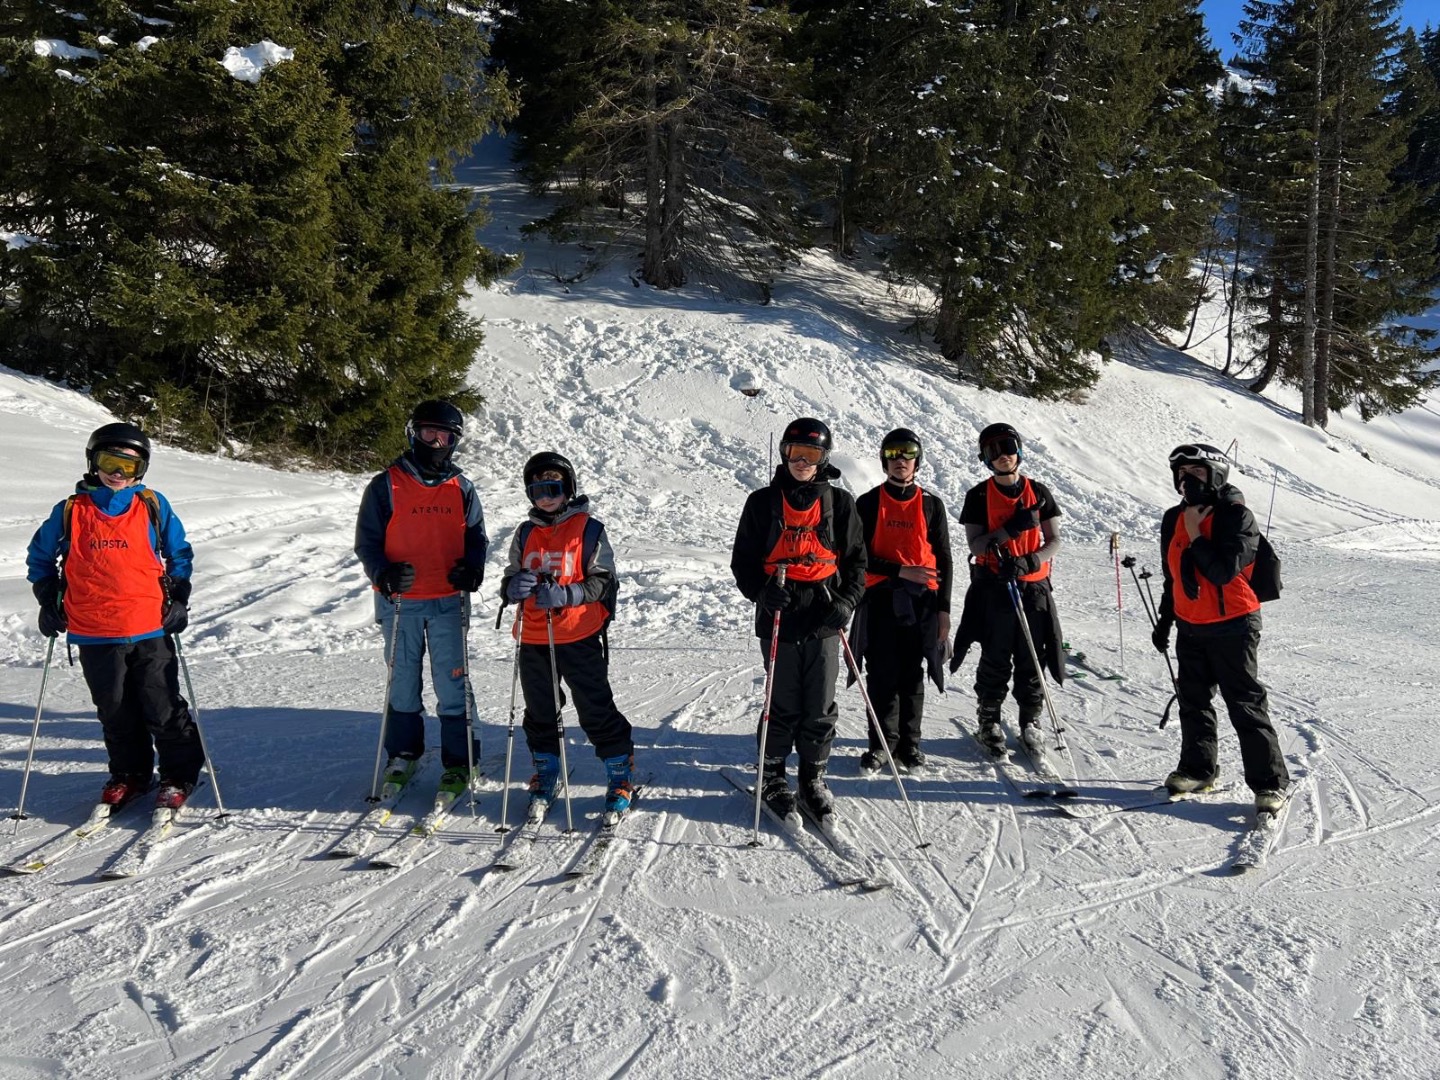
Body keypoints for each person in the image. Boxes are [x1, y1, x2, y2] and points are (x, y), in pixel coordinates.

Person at [26, 422, 203, 810]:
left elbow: (180, 554)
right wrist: (48, 597)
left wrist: (179, 596)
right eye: (110, 462)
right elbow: (40, 558)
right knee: (115, 709)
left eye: (129, 466)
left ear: (142, 471)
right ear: (93, 462)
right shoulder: (72, 510)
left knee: (161, 705)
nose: (118, 473)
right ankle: (130, 774)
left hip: (148, 626)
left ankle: (180, 773)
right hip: (93, 630)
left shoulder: (151, 505)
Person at [730, 417, 867, 821]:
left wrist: (847, 602)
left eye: (811, 455)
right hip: (780, 611)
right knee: (782, 702)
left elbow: (858, 563)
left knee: (820, 704)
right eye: (795, 453)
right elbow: (742, 563)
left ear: (824, 459)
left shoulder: (840, 504)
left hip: (824, 611)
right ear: (784, 454)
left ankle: (812, 776)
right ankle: (772, 773)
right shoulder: (761, 502)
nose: (802, 462)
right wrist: (761, 591)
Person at [355, 400, 488, 799]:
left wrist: (473, 569)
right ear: (413, 433)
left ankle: (460, 760)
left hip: (448, 600)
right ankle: (403, 753)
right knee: (403, 681)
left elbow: (476, 537)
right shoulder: (386, 485)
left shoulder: (461, 487)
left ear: (454, 441)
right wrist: (384, 574)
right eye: (428, 432)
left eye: (443, 435)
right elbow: (367, 543)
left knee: (452, 683)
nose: (435, 441)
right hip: (401, 601)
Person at [1151, 444, 1289, 813]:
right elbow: (1173, 577)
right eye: (1180, 474)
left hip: (1234, 625)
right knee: (1193, 702)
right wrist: (1166, 621)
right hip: (1191, 625)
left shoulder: (1237, 517)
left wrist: (1197, 533)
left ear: (1215, 474)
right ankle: (1199, 770)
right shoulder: (1172, 518)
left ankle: (1271, 784)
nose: (1186, 481)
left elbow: (1222, 571)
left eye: (1195, 472)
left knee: (1244, 704)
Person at [499, 452, 634, 822]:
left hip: (578, 634)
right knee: (540, 709)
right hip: (533, 636)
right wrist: (513, 586)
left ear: (568, 488)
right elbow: (508, 576)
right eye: (538, 489)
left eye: (553, 488)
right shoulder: (525, 532)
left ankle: (620, 771)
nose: (546, 497)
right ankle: (546, 770)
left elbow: (604, 580)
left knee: (594, 706)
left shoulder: (589, 529)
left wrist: (568, 593)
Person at [951, 423, 1065, 753]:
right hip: (995, 587)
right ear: (985, 458)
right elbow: (976, 546)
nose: (1003, 456)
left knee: (1033, 656)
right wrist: (1012, 529)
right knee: (996, 655)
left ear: (1019, 449)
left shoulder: (1038, 492)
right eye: (993, 451)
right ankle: (989, 718)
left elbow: (1054, 539)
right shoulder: (978, 496)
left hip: (1033, 587)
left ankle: (1031, 719)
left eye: (1008, 447)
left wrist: (1031, 561)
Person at [850, 428, 953, 773]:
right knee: (881, 674)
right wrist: (899, 571)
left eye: (907, 455)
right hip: (880, 600)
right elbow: (856, 557)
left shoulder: (931, 504)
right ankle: (881, 744)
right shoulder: (867, 503)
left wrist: (944, 611)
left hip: (922, 603)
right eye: (893, 455)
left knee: (912, 675)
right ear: (884, 462)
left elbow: (945, 559)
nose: (900, 462)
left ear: (917, 461)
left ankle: (910, 745)